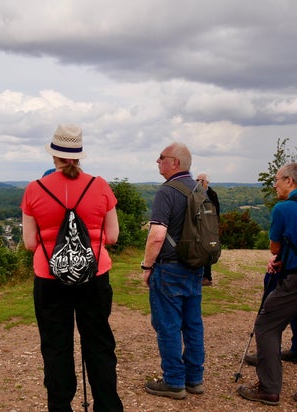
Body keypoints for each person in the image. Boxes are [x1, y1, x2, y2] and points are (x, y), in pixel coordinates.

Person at [21, 124, 123, 411]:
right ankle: (107, 406)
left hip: (49, 276)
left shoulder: (34, 189)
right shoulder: (99, 185)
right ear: (79, 155)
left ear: (53, 156)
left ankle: (60, 405)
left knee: (56, 345)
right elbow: (112, 236)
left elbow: (30, 242)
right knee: (99, 343)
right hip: (95, 274)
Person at [237, 162, 297, 411]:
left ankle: (268, 389)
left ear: (290, 181)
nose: (275, 185)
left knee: (267, 324)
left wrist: (281, 259)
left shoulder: (284, 208)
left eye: (277, 180)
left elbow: (275, 247)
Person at [142, 143, 205, 400]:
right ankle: (194, 379)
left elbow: (157, 235)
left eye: (162, 158)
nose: (157, 161)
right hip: (195, 266)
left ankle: (173, 382)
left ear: (175, 163)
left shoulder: (166, 192)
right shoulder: (200, 189)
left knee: (168, 325)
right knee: (192, 325)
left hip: (169, 268)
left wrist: (147, 266)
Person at [196, 172, 220, 286]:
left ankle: (207, 277)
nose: (198, 183)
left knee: (208, 250)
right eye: (196, 180)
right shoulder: (194, 193)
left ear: (206, 182)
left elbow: (216, 211)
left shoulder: (212, 194)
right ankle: (198, 276)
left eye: (200, 180)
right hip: (198, 226)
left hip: (209, 227)